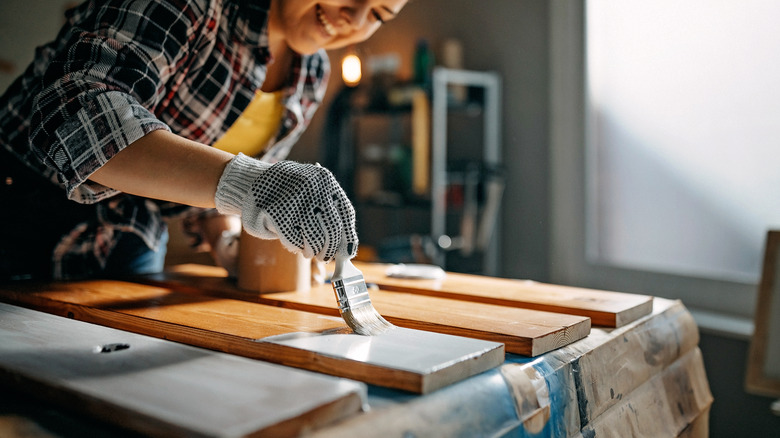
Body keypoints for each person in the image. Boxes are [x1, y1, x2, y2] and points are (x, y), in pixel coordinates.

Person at [0, 0, 407, 280]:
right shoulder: (199, 7)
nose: (355, 19)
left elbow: (207, 182)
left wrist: (225, 239)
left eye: (379, 13)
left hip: (128, 241)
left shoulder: (312, 75)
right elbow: (75, 114)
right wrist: (252, 185)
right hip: (19, 209)